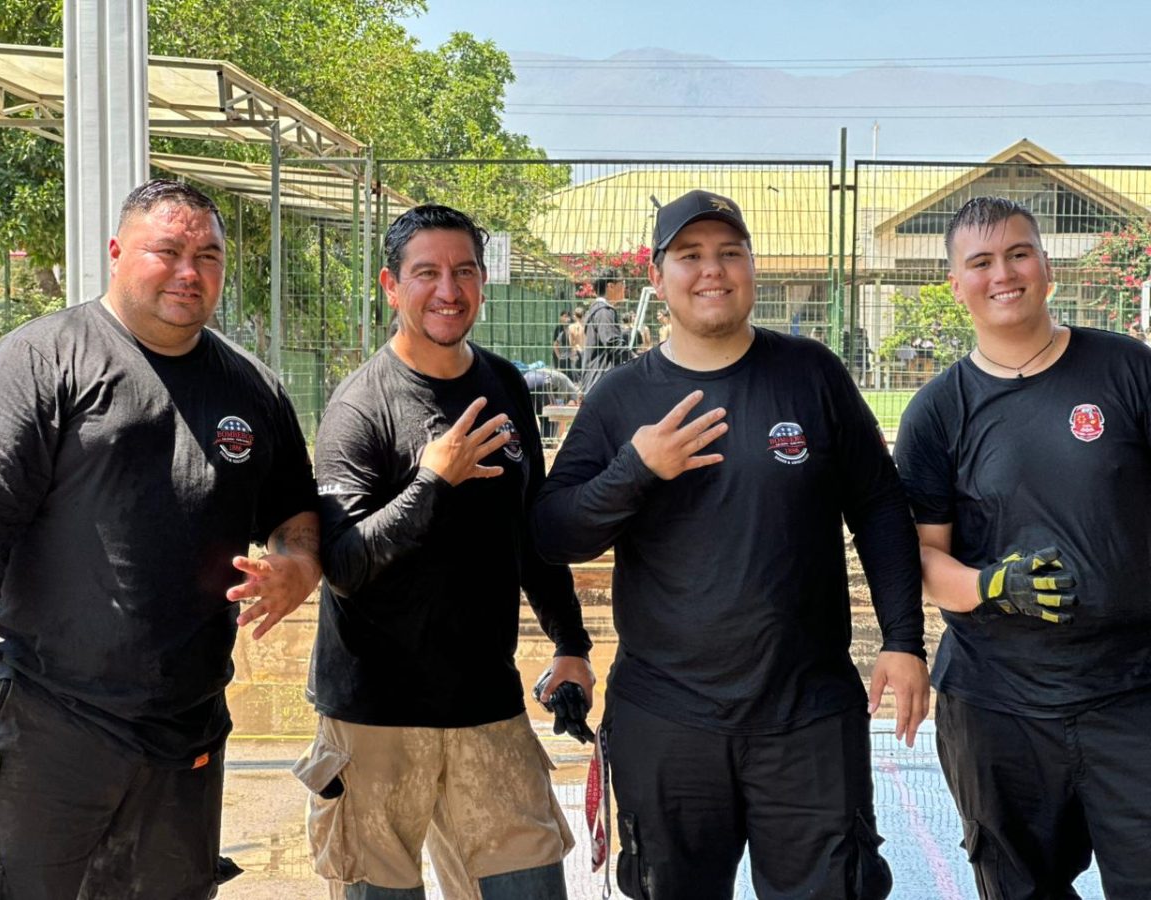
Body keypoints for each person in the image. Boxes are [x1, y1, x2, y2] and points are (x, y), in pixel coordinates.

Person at [533, 189, 928, 900]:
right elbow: (555, 532)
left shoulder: (810, 374)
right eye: (690, 256)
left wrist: (903, 640)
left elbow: (878, 506)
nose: (711, 271)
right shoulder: (623, 398)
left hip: (805, 714)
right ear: (658, 278)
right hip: (667, 718)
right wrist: (635, 471)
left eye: (729, 253)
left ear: (751, 267)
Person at [0, 179, 321, 899]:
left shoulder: (252, 389)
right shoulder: (40, 362)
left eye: (208, 255)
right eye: (169, 251)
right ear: (117, 253)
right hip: (54, 725)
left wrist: (297, 567)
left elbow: (298, 518)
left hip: (187, 734)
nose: (190, 271)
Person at [298, 204, 593, 900]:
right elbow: (341, 567)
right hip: (376, 720)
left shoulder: (505, 385)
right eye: (426, 273)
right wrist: (432, 481)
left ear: (483, 282)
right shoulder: (359, 407)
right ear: (390, 286)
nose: (448, 290)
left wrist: (570, 642)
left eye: (464, 272)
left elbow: (532, 531)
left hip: (486, 706)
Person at [893, 195, 1151, 900]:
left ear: (1045, 267)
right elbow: (922, 557)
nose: (1002, 273)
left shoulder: (1128, 372)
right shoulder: (939, 411)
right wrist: (991, 586)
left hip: (1131, 693)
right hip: (997, 704)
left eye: (1018, 253)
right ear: (956, 285)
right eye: (980, 262)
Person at [579, 268, 633, 395]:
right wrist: (637, 360)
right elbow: (613, 343)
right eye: (622, 283)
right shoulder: (604, 311)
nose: (624, 287)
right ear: (610, 286)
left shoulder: (596, 310)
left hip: (596, 380)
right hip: (601, 382)